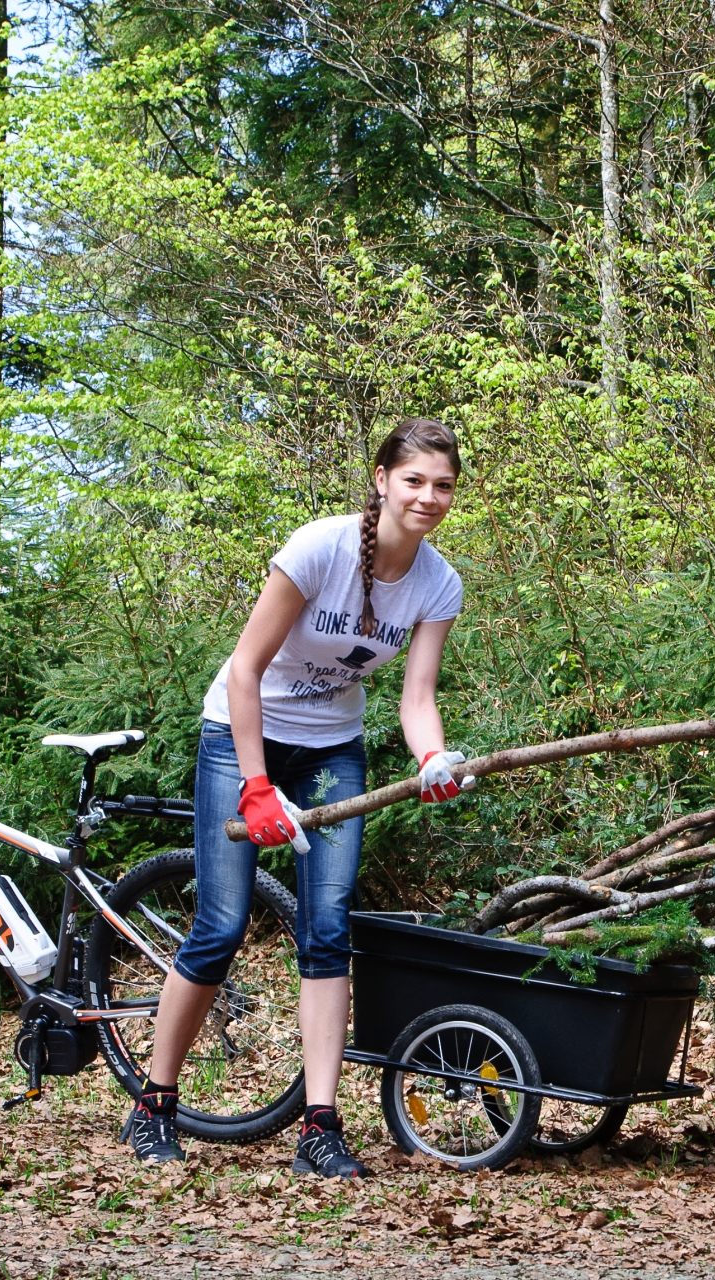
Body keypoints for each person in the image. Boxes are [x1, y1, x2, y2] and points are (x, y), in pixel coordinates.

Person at [119, 418, 472, 1174]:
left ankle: (319, 1125)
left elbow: (416, 697)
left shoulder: (438, 582)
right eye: (414, 480)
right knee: (219, 926)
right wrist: (254, 786)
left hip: (331, 750)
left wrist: (434, 756)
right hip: (240, 734)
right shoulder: (320, 547)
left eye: (443, 485)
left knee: (327, 930)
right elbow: (245, 669)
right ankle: (154, 1103)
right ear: (381, 479)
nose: (429, 497)